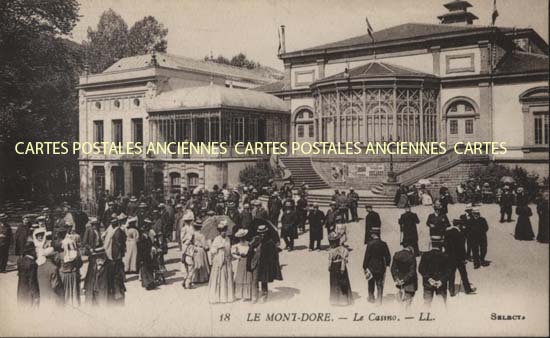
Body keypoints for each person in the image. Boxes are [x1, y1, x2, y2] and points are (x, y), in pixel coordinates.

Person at [247, 223, 283, 303]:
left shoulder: (270, 242)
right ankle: (254, 296)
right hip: (255, 262)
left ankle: (264, 295)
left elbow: (273, 254)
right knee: (254, 280)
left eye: (264, 232)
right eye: (260, 232)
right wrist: (252, 245)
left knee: (264, 280)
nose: (262, 234)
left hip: (264, 264)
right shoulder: (255, 239)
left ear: (266, 232)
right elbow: (250, 250)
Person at [445, 220, 476, 296]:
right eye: (461, 225)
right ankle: (467, 290)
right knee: (464, 275)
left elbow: (445, 245)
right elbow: (462, 248)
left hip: (450, 258)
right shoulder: (460, 233)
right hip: (459, 259)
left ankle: (451, 291)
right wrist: (464, 258)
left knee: (451, 275)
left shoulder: (448, 232)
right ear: (458, 225)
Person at [418, 236, 450, 307]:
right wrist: (441, 281)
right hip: (441, 285)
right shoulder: (445, 256)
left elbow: (421, 269)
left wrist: (429, 279)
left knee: (427, 303)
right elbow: (449, 271)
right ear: (441, 245)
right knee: (441, 304)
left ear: (431, 244)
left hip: (428, 284)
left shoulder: (425, 255)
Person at [103, 214, 127, 305]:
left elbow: (119, 243)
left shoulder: (118, 232)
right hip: (115, 252)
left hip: (116, 253)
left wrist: (119, 252)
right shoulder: (115, 230)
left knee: (117, 268)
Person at [362, 227, 391, 304]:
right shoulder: (383, 244)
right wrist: (387, 264)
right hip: (381, 267)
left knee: (371, 283)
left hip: (371, 267)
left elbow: (367, 256)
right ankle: (379, 300)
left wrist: (364, 266)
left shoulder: (370, 244)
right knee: (379, 283)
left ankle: (371, 298)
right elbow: (388, 256)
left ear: (373, 234)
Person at [208, 223, 235, 304]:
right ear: (219, 232)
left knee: (227, 278)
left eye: (224, 231)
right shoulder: (216, 239)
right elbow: (212, 250)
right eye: (222, 231)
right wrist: (218, 248)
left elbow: (229, 250)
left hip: (227, 260)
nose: (223, 233)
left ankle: (227, 297)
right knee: (219, 279)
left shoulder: (228, 239)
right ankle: (217, 297)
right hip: (219, 260)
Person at [328, 232, 353, 306]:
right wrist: (342, 267)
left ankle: (334, 300)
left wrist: (329, 267)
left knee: (334, 283)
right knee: (342, 282)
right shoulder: (343, 249)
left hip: (334, 267)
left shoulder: (331, 251)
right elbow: (344, 259)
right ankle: (343, 300)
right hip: (341, 266)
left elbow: (330, 260)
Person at [57, 233, 83, 306]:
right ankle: (74, 304)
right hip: (73, 275)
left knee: (65, 291)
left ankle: (66, 304)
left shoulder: (60, 255)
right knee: (74, 290)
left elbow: (57, 263)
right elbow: (80, 264)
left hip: (64, 276)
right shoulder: (76, 254)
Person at [36, 242, 63, 308]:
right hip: (53, 299)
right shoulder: (53, 268)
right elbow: (55, 286)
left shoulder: (39, 266)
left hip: (43, 297)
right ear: (52, 256)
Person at [391, 244, 418, 309]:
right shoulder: (412, 256)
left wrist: (396, 279)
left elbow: (393, 269)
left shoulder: (396, 254)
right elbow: (412, 272)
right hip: (410, 284)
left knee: (400, 303)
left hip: (399, 283)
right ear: (410, 247)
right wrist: (404, 280)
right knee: (408, 304)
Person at [232, 229, 253, 301]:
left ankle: (247, 294)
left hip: (248, 260)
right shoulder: (237, 245)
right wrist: (238, 256)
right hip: (241, 261)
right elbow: (233, 253)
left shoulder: (248, 243)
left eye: (243, 236)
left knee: (247, 276)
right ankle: (240, 294)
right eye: (241, 237)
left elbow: (252, 251)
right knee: (240, 277)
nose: (242, 238)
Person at [137, 219, 157, 290]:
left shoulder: (145, 238)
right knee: (146, 271)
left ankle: (149, 283)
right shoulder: (143, 238)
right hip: (145, 256)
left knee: (147, 270)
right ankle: (148, 284)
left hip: (146, 256)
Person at [191, 220, 210, 285]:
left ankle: (195, 278)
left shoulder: (193, 234)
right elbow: (204, 245)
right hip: (200, 249)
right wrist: (207, 247)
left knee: (195, 263)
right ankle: (202, 278)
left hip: (194, 249)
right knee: (202, 263)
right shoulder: (202, 235)